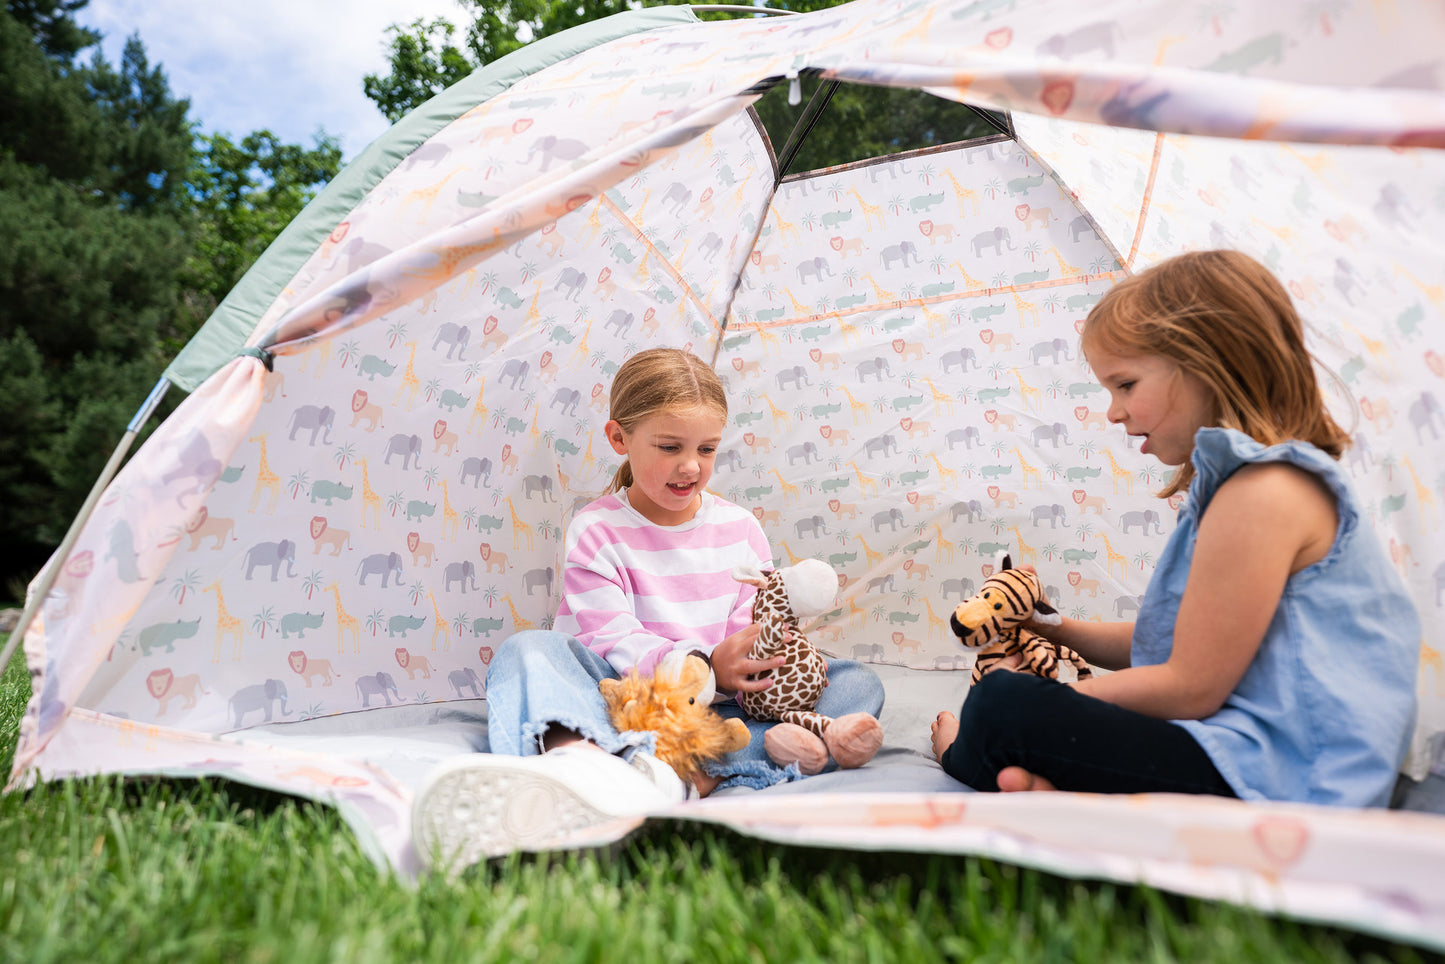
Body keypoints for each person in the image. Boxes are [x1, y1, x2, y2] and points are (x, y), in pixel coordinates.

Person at [930, 250, 1419, 807]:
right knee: (1029, 707)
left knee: (1001, 704)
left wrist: (1061, 698)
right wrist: (1055, 627)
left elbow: (1190, 684)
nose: (1113, 412)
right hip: (1249, 751)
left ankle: (968, 757)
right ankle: (1062, 786)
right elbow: (1163, 648)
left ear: (1207, 364)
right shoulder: (1241, 490)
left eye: (1126, 383)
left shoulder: (1263, 495)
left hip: (1290, 779)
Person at [413, 347, 884, 871]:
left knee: (854, 682)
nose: (691, 466)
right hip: (618, 694)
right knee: (528, 651)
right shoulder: (597, 530)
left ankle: (668, 775)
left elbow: (749, 626)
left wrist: (758, 663)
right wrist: (703, 664)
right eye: (669, 446)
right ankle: (586, 764)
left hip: (717, 712)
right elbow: (609, 638)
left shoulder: (740, 528)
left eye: (706, 449)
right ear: (620, 439)